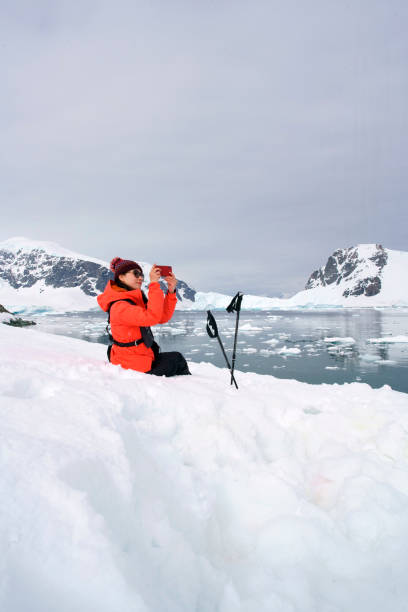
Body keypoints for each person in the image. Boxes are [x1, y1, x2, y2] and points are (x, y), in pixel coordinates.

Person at [97, 257, 191, 377]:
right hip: (131, 364)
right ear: (121, 277)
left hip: (139, 357)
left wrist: (171, 291)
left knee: (175, 359)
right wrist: (154, 284)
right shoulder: (120, 306)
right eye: (136, 274)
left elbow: (162, 317)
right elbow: (152, 317)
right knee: (177, 360)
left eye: (141, 274)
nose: (140, 278)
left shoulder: (133, 300)